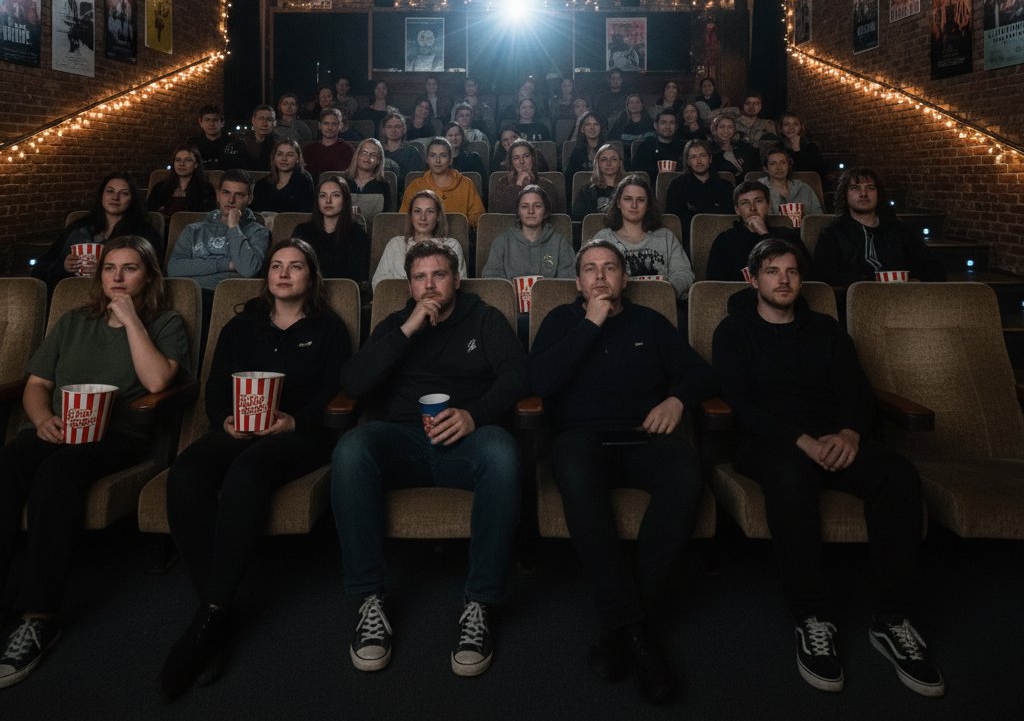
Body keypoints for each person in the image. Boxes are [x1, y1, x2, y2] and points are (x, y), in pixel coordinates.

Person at [712, 239, 944, 698]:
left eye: (792, 272)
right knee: (790, 477)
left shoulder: (827, 331)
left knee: (897, 475)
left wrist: (850, 434)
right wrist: (799, 441)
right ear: (752, 278)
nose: (783, 279)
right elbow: (742, 402)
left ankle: (891, 618)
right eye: (773, 271)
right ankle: (812, 618)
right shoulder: (733, 331)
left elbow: (856, 390)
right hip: (771, 442)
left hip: (833, 439)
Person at [159, 238, 349, 701]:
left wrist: (294, 421)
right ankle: (215, 613)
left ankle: (209, 618)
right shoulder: (241, 325)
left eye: (296, 267)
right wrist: (225, 418)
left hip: (299, 436)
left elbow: (336, 388)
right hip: (237, 428)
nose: (284, 274)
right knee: (186, 473)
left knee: (248, 471)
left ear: (311, 277)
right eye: (277, 266)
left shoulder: (328, 328)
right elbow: (217, 385)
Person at [529, 239, 715, 704]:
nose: (599, 277)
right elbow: (540, 383)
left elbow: (698, 372)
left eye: (609, 268)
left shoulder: (649, 322)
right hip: (581, 439)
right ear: (577, 282)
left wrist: (676, 400)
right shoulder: (561, 321)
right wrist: (591, 324)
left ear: (624, 278)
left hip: (643, 436)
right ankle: (641, 635)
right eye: (590, 269)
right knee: (572, 468)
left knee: (687, 471)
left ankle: (623, 624)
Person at [0, 236, 189, 689]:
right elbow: (38, 383)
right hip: (59, 426)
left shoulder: (165, 321)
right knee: (10, 463)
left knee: (56, 475)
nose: (118, 278)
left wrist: (130, 323)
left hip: (118, 436)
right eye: (110, 269)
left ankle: (39, 615)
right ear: (98, 275)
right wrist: (43, 419)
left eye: (129, 269)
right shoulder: (71, 321)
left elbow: (158, 380)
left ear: (148, 276)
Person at [331, 240, 527, 676]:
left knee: (503, 453)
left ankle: (479, 603)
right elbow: (355, 382)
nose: (430, 286)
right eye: (420, 277)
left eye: (438, 275)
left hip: (466, 439)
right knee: (351, 450)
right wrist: (407, 331)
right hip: (404, 439)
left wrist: (475, 416)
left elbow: (518, 373)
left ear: (456, 279)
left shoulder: (483, 318)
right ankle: (369, 601)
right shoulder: (397, 323)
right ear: (409, 285)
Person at [33, 171, 164, 292]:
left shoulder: (145, 232)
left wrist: (107, 270)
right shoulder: (79, 228)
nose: (115, 198)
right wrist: (63, 267)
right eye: (110, 191)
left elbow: (154, 274)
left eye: (124, 193)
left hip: (120, 295)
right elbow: (39, 271)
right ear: (101, 195)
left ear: (132, 199)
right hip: (75, 293)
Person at [813, 168, 946, 286]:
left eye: (870, 188)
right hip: (856, 301)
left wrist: (914, 281)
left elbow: (934, 268)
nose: (863, 194)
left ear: (878, 194)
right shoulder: (833, 233)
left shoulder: (898, 229)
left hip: (902, 299)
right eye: (855, 188)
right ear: (845, 195)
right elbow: (823, 276)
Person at [167, 170, 271, 314]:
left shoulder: (258, 232)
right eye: (226, 193)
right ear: (217, 194)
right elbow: (173, 268)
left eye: (239, 195)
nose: (231, 200)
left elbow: (248, 270)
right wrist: (227, 264)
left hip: (231, 299)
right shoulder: (194, 230)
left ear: (250, 198)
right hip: (191, 297)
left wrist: (234, 226)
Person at [593, 174, 694, 302]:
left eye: (640, 200)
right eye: (628, 199)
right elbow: (590, 274)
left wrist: (667, 292)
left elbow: (684, 273)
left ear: (648, 205)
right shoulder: (603, 239)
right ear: (618, 203)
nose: (634, 205)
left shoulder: (665, 236)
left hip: (660, 304)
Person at [706, 181, 809, 281]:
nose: (752, 208)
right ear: (737, 210)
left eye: (758, 201)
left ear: (768, 206)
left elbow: (808, 274)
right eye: (745, 203)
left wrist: (764, 233)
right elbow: (715, 286)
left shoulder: (788, 236)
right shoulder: (725, 240)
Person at [371, 190, 467, 289]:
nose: (423, 217)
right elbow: (379, 285)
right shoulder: (395, 244)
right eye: (417, 211)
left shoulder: (452, 245)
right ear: (411, 215)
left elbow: (458, 285)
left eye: (430, 211)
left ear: (438, 216)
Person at [481, 184, 574, 281]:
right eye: (525, 207)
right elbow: (492, 278)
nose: (531, 211)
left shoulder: (560, 243)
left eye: (537, 206)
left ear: (545, 212)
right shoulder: (502, 242)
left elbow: (567, 282)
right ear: (518, 211)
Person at [292, 175, 370, 281]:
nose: (328, 201)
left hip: (343, 293)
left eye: (335, 195)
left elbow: (359, 276)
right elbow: (294, 269)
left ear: (345, 200)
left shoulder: (357, 234)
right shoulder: (302, 231)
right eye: (323, 196)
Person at [399, 137, 485, 227]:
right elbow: (404, 218)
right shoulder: (416, 186)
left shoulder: (466, 184)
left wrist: (458, 227)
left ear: (450, 159)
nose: (437, 161)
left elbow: (478, 217)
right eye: (432, 155)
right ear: (427, 159)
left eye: (443, 155)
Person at [665, 139, 736, 245]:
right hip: (688, 240)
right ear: (688, 161)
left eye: (703, 155)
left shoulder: (725, 186)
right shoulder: (677, 185)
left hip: (723, 239)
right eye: (693, 157)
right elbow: (673, 221)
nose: (699, 161)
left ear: (710, 158)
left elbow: (731, 219)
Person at [489, 138, 561, 214]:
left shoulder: (547, 185)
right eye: (516, 158)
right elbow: (499, 213)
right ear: (512, 162)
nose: (521, 161)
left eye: (526, 156)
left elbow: (551, 213)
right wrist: (518, 185)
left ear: (533, 158)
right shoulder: (503, 183)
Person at [146, 145, 217, 222]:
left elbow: (207, 216)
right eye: (178, 160)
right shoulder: (160, 187)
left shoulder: (206, 188)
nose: (181, 164)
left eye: (188, 160)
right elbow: (149, 212)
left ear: (196, 164)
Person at [252, 138, 315, 214]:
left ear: (297, 158)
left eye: (290, 155)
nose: (284, 159)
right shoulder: (262, 185)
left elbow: (306, 212)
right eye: (279, 154)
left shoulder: (304, 180)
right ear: (274, 157)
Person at [759, 146, 822, 215]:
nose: (779, 167)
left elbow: (817, 216)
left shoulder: (804, 188)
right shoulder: (759, 189)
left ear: (789, 166)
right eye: (773, 164)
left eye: (783, 163)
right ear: (765, 169)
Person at [572, 143, 625, 221]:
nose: (609, 163)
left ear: (620, 163)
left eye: (613, 159)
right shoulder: (587, 191)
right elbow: (578, 220)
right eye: (604, 159)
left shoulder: (628, 188)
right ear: (598, 163)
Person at [631, 110, 686, 183]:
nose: (668, 126)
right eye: (663, 123)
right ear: (656, 126)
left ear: (676, 127)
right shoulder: (647, 145)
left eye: (672, 123)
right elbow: (637, 171)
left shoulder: (682, 147)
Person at [302, 107, 354, 183]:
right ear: (319, 125)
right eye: (326, 123)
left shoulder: (347, 149)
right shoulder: (309, 149)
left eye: (334, 124)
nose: (330, 128)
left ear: (340, 126)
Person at [343, 138, 394, 212]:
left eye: (373, 154)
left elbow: (387, 217)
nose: (367, 157)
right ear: (357, 156)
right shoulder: (344, 182)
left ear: (378, 161)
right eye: (364, 152)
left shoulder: (384, 185)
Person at [379, 109, 423, 194]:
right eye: (389, 127)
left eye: (397, 127)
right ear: (384, 130)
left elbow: (413, 182)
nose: (393, 130)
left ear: (404, 129)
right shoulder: (377, 151)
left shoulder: (411, 152)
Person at [223, 105, 277, 172]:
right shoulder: (236, 145)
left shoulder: (279, 146)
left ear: (274, 123)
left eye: (269, 119)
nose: (265, 124)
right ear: (253, 121)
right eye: (260, 118)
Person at [709, 112, 760, 180]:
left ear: (734, 130)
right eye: (722, 127)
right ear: (715, 129)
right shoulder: (709, 151)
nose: (726, 130)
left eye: (730, 127)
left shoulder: (745, 149)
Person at [564, 113, 608, 184]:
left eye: (596, 124)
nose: (592, 127)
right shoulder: (576, 153)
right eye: (588, 124)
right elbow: (569, 180)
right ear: (582, 129)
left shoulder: (608, 150)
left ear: (601, 128)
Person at [778, 112, 825, 177]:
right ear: (781, 129)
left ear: (801, 127)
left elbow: (812, 172)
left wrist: (797, 150)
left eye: (795, 124)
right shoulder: (777, 149)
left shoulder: (812, 148)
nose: (791, 127)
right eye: (786, 124)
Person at [185, 104, 229, 170]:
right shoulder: (192, 144)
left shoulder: (232, 144)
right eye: (207, 120)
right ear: (200, 122)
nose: (211, 124)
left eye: (215, 120)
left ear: (222, 122)